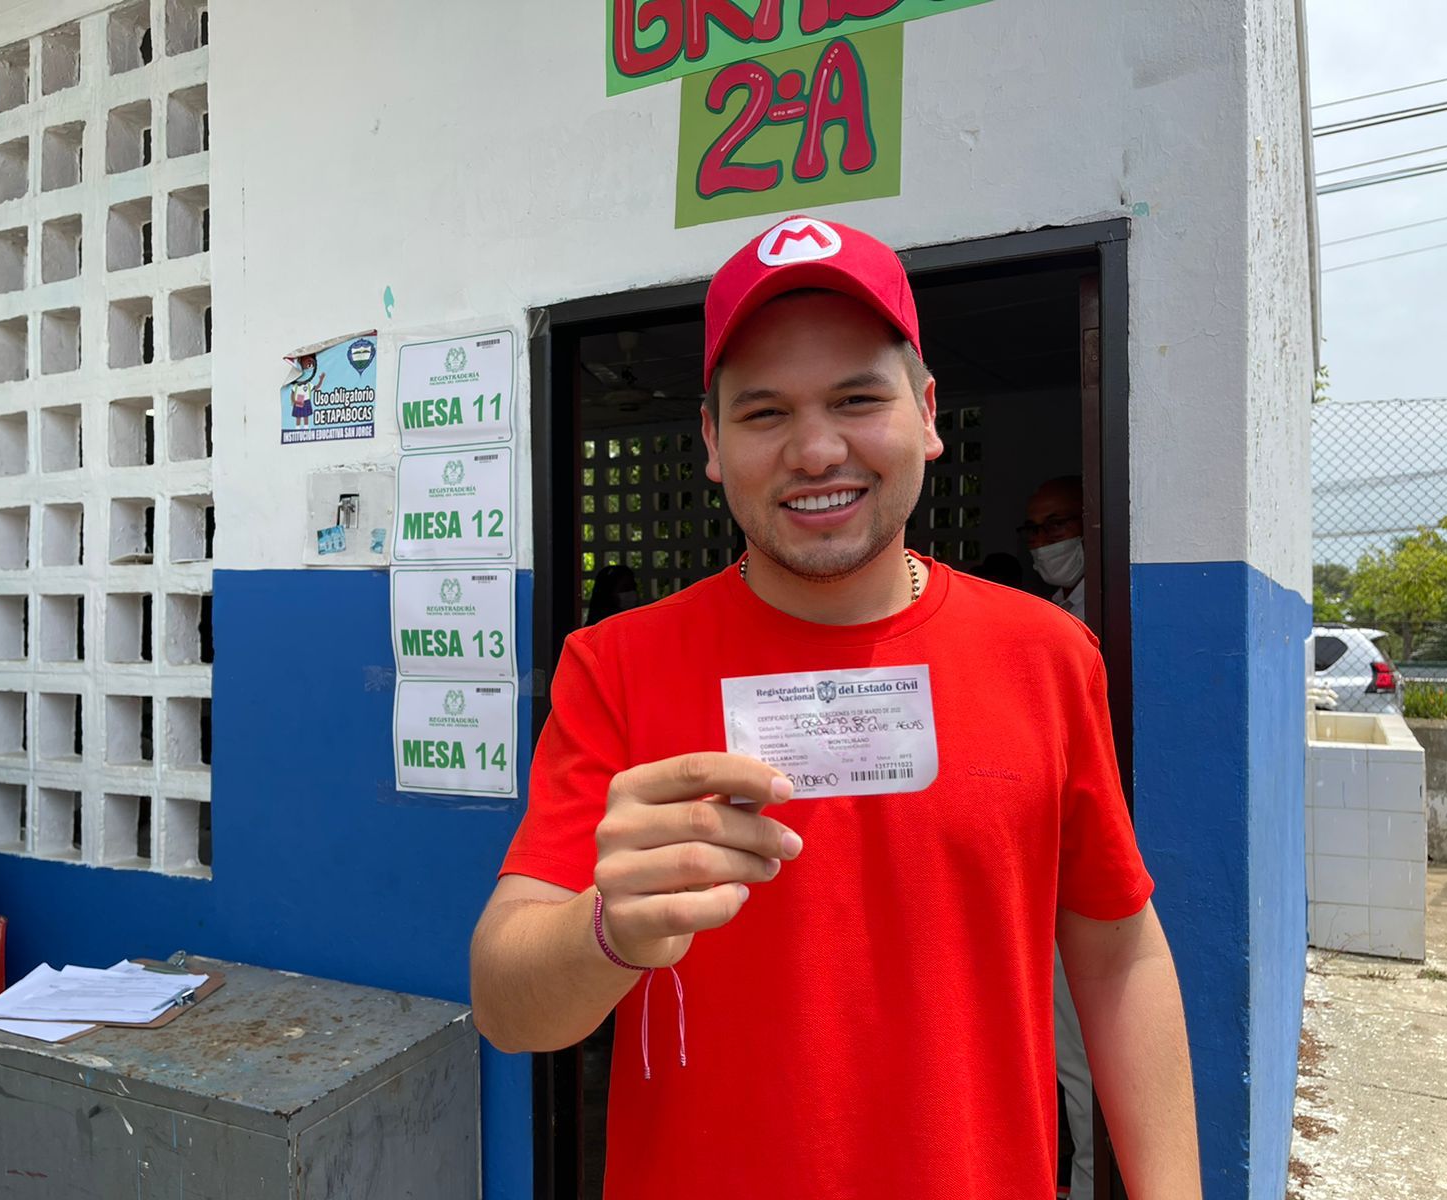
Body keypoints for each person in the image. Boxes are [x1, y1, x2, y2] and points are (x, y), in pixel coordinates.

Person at [470, 216, 1201, 1197]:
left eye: (857, 399)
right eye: (764, 413)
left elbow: (1116, 951)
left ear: (928, 412)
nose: (816, 451)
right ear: (712, 443)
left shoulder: (1048, 655)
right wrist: (607, 933)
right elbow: (507, 1007)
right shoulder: (615, 667)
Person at [1021, 473, 1096, 1197]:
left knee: (1080, 1069)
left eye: (1058, 524)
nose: (1047, 543)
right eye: (1036, 530)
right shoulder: (1051, 616)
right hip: (1034, 883)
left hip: (1085, 879)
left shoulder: (1089, 625)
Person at [1023, 475, 1087, 617]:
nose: (1040, 542)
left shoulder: (1106, 608)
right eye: (1032, 528)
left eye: (1057, 524)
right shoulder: (1058, 604)